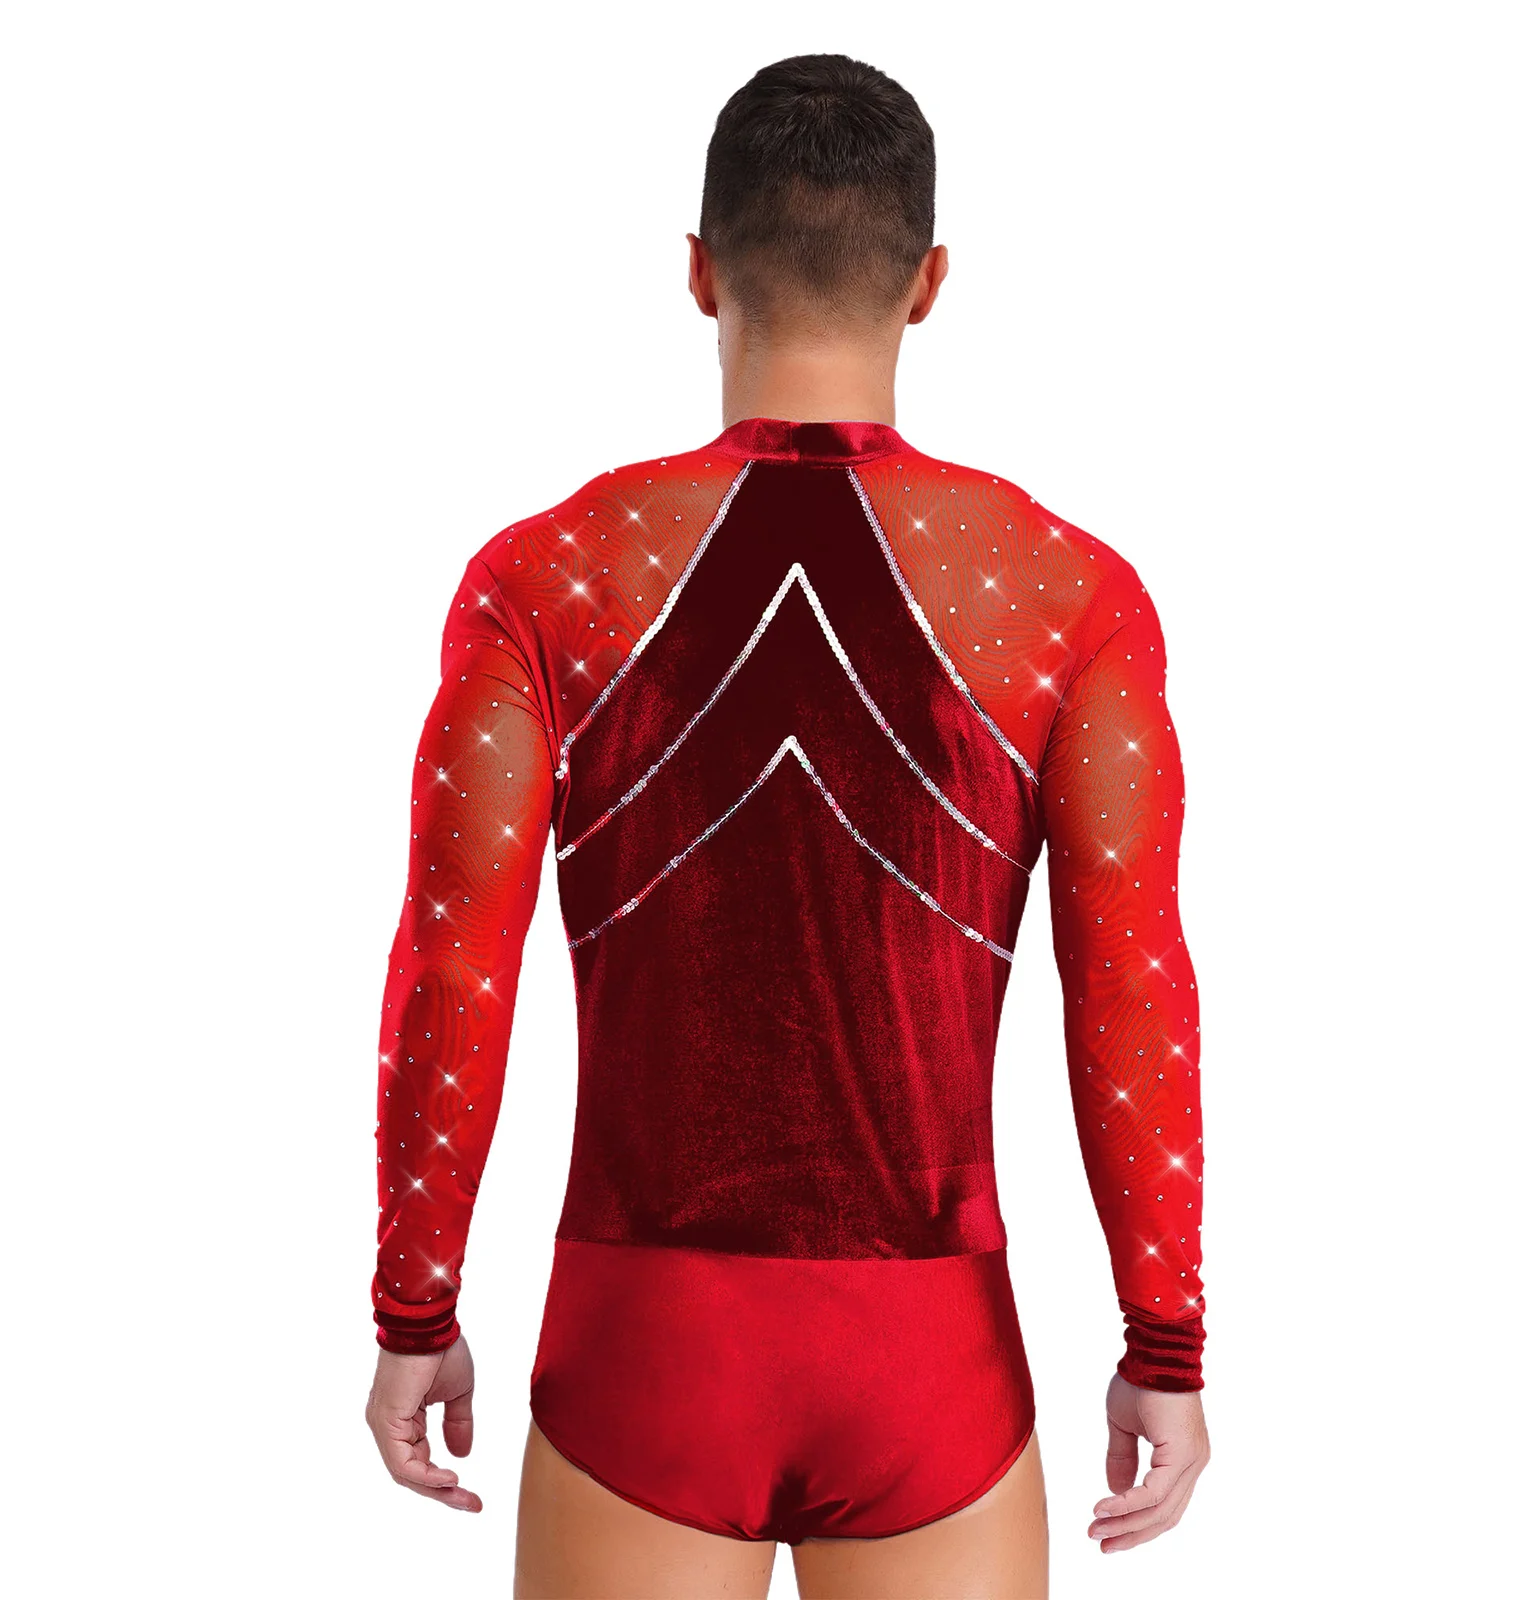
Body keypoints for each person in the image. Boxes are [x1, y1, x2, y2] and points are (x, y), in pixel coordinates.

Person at [364, 52, 1209, 1599]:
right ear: (930, 282)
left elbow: (453, 965)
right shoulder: (1069, 595)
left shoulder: (549, 577)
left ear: (699, 271)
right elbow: (1132, 987)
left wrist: (416, 1309)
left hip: (644, 1345)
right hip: (933, 1358)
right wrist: (1164, 1341)